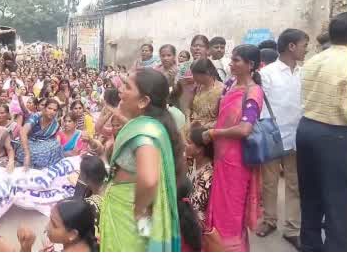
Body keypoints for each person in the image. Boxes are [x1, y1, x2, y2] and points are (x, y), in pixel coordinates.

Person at [98, 69, 183, 251]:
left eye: (127, 87)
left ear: (143, 101)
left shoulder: (145, 133)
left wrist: (138, 209)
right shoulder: (145, 125)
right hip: (125, 204)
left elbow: (149, 180)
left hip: (128, 209)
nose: (120, 90)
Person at [195, 44, 263, 251]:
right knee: (216, 206)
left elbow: (244, 129)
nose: (231, 64)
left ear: (250, 65)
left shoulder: (254, 92)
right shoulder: (230, 84)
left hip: (237, 162)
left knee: (231, 211)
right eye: (232, 59)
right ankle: (214, 245)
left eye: (236, 60)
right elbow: (221, 116)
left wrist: (214, 133)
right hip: (220, 157)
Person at [296, 12, 347, 252]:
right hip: (335, 134)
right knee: (339, 202)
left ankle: (309, 246)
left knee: (310, 197)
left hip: (307, 129)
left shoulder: (314, 60)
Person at [256, 28, 307, 247]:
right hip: (272, 136)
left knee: (295, 184)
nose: (307, 49)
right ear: (291, 47)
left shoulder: (304, 72)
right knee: (269, 183)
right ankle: (269, 220)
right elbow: (260, 107)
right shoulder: (267, 73)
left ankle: (293, 228)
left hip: (297, 136)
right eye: (304, 45)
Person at [17, 98, 63, 169]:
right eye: (49, 108)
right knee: (35, 153)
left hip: (43, 147)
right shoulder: (36, 116)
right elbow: (23, 132)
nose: (52, 112)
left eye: (54, 110)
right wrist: (27, 154)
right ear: (44, 108)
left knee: (57, 146)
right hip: (28, 144)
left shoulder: (55, 124)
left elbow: (51, 140)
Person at [185, 58, 222, 129]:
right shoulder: (197, 87)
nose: (193, 77)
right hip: (192, 126)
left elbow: (222, 119)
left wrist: (204, 127)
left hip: (208, 131)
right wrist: (187, 121)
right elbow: (188, 108)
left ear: (206, 73)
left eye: (195, 75)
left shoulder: (221, 90)